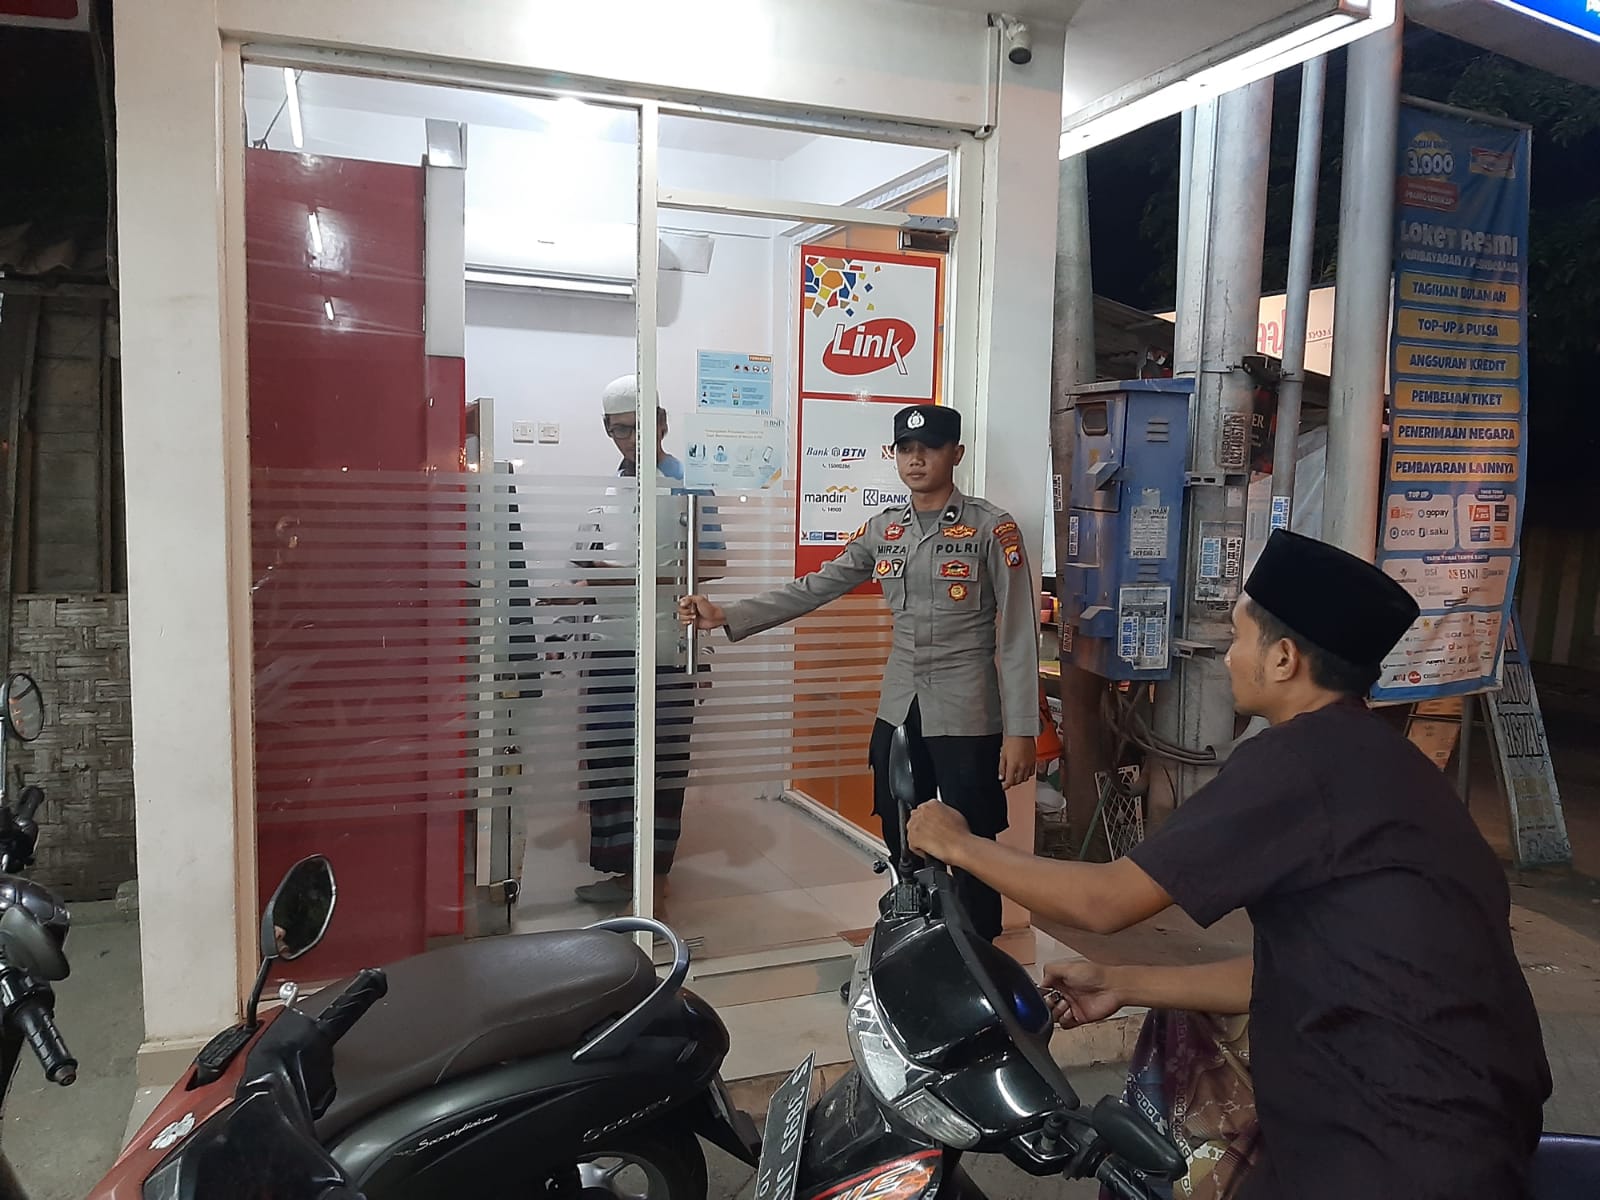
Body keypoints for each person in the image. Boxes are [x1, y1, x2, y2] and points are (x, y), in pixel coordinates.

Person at [905, 529, 1551, 1198]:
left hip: (1395, 1142)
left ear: (1284, 659)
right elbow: (1302, 974)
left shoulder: (1300, 761)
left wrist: (958, 843)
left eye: (1238, 638)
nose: (1226, 658)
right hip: (1465, 1121)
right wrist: (1122, 983)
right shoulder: (1386, 762)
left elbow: (1104, 901)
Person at [679, 403, 1039, 942]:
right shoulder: (884, 530)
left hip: (967, 709)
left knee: (974, 837)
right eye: (906, 449)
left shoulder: (992, 528)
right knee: (900, 832)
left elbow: (1017, 636)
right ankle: (913, 941)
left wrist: (1021, 730)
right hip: (899, 707)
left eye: (930, 448)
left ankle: (977, 951)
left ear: (956, 454)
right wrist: (730, 614)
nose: (916, 459)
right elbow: (816, 587)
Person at [572, 375, 721, 916]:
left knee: (659, 765)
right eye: (619, 430)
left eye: (639, 427)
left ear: (661, 424)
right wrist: (584, 583)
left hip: (666, 649)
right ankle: (623, 873)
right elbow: (586, 559)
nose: (630, 439)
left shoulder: (688, 483)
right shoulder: (608, 489)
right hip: (610, 646)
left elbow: (714, 563)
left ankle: (654, 884)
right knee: (610, 762)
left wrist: (625, 577)